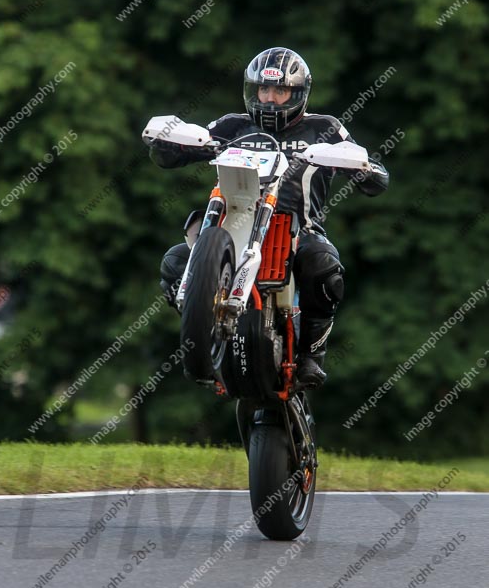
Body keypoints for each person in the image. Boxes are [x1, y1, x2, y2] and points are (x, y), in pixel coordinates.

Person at [147, 47, 389, 387]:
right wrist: (168, 144)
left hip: (298, 230)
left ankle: (311, 355)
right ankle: (203, 328)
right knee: (174, 261)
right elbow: (174, 151)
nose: (271, 99)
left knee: (324, 263)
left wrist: (363, 168)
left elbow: (376, 175)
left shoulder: (325, 128)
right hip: (231, 224)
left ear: (298, 93)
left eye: (280, 91)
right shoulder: (232, 125)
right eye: (264, 90)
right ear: (252, 90)